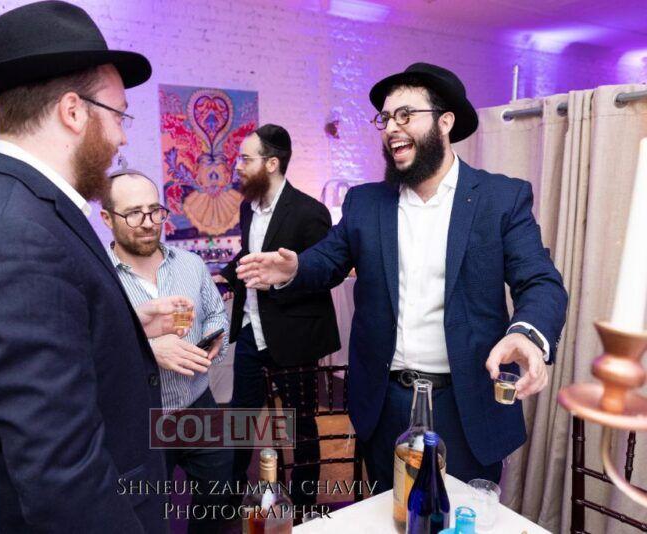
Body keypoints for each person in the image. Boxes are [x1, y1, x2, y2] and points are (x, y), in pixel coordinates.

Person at [235, 63, 568, 491]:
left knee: (458, 515)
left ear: (445, 122)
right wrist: (296, 267)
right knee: (388, 512)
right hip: (386, 402)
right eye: (386, 118)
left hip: (465, 403)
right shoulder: (365, 203)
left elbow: (539, 280)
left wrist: (527, 333)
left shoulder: (500, 198)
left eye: (406, 115)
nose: (392, 127)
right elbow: (329, 259)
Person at [0, 2, 183, 532]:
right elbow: (61, 473)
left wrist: (123, 326)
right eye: (119, 115)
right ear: (73, 111)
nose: (123, 137)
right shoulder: (14, 234)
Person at [102, 168, 232, 533]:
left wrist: (215, 337)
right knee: (147, 511)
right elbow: (91, 349)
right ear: (107, 218)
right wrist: (148, 350)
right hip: (138, 417)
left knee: (218, 499)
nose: (148, 223)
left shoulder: (190, 264)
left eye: (154, 211)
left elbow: (216, 313)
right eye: (133, 214)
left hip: (198, 404)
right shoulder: (100, 279)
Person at [216, 124, 340, 506]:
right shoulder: (247, 207)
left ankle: (303, 504)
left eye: (245, 159)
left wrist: (282, 281)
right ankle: (231, 498)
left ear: (271, 163)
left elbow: (326, 274)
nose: (237, 166)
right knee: (241, 419)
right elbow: (250, 253)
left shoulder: (310, 212)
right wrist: (225, 276)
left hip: (294, 337)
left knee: (300, 426)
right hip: (251, 331)